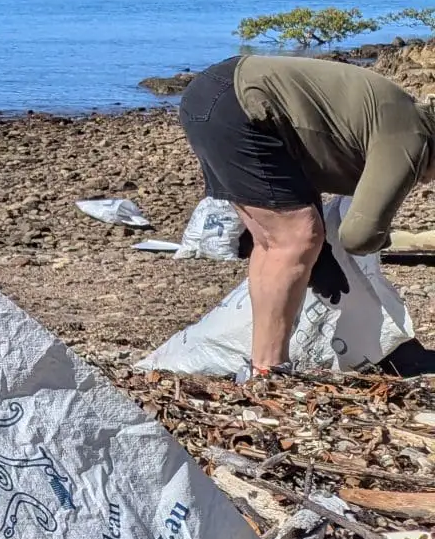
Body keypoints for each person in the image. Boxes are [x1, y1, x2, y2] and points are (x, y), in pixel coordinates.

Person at [177, 52, 435, 380]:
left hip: (217, 97)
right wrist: (371, 238)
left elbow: (306, 153)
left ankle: (261, 366)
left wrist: (324, 250)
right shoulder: (411, 139)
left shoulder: (405, 118)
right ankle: (270, 371)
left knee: (276, 242)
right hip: (239, 105)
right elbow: (359, 236)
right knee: (297, 238)